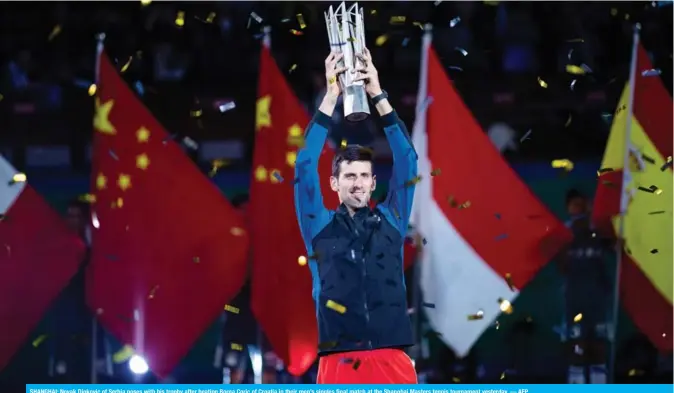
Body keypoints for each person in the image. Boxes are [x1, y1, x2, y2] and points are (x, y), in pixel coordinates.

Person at [294, 49, 418, 384]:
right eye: (349, 176)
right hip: (338, 364)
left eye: (364, 176)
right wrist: (331, 96)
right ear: (334, 183)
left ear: (374, 182)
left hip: (392, 359)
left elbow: (408, 160)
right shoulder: (319, 226)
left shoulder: (392, 219)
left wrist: (377, 94)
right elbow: (304, 166)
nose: (358, 184)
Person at [560, 189, 612, 384]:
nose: (579, 209)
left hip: (598, 298)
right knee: (577, 344)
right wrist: (572, 236)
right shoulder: (563, 234)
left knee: (599, 344)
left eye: (582, 205)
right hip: (574, 299)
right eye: (575, 206)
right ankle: (576, 383)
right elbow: (562, 268)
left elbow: (617, 247)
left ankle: (599, 384)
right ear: (568, 209)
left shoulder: (599, 232)